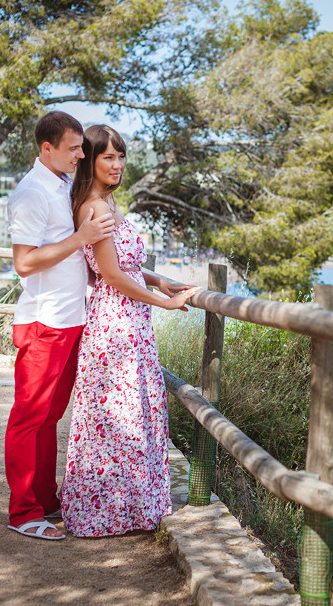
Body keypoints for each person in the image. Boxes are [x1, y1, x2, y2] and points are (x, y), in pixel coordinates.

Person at [60, 124, 200, 537]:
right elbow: (111, 275)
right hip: (116, 323)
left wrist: (160, 282)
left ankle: (128, 507)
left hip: (129, 320)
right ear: (90, 160)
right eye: (108, 157)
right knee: (117, 415)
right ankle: (110, 512)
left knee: (129, 411)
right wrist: (165, 302)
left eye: (121, 156)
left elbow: (129, 266)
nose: (118, 164)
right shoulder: (95, 208)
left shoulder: (107, 202)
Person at [5, 111, 116, 541]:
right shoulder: (31, 193)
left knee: (50, 417)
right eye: (73, 148)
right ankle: (22, 512)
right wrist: (80, 238)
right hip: (44, 321)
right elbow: (24, 262)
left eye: (81, 148)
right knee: (29, 417)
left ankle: (45, 499)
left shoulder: (64, 185)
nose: (81, 155)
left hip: (72, 318)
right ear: (47, 148)